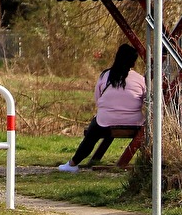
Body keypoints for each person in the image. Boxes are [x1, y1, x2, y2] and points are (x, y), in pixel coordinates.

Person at [58, 43, 146, 172]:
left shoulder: (105, 75)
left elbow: (98, 100)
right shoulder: (140, 79)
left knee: (92, 134)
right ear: (133, 62)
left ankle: (73, 163)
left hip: (105, 120)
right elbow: (145, 100)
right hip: (134, 121)